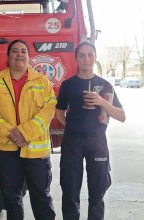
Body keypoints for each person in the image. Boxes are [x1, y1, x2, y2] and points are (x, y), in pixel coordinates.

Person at [0, 39, 56, 220]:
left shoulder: (42, 81)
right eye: (15, 51)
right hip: (6, 150)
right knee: (11, 197)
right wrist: (11, 133)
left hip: (36, 152)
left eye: (23, 51)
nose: (19, 54)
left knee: (41, 196)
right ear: (8, 57)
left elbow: (49, 109)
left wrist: (24, 132)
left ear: (29, 57)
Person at [56, 41, 126, 220]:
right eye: (82, 55)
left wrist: (101, 102)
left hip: (97, 141)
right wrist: (73, 129)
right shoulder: (68, 85)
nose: (86, 59)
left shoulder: (105, 85)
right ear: (76, 59)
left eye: (90, 55)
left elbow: (121, 116)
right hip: (72, 142)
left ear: (95, 58)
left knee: (97, 191)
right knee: (70, 190)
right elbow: (59, 114)